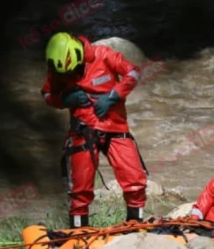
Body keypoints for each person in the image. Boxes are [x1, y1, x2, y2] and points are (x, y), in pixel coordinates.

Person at [40, 32, 148, 228]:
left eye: (72, 72)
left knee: (135, 180)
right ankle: (79, 233)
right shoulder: (58, 67)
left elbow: (133, 72)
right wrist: (65, 100)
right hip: (83, 131)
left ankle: (135, 225)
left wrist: (113, 96)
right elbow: (47, 94)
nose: (70, 76)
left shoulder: (103, 55)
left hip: (115, 127)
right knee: (79, 190)